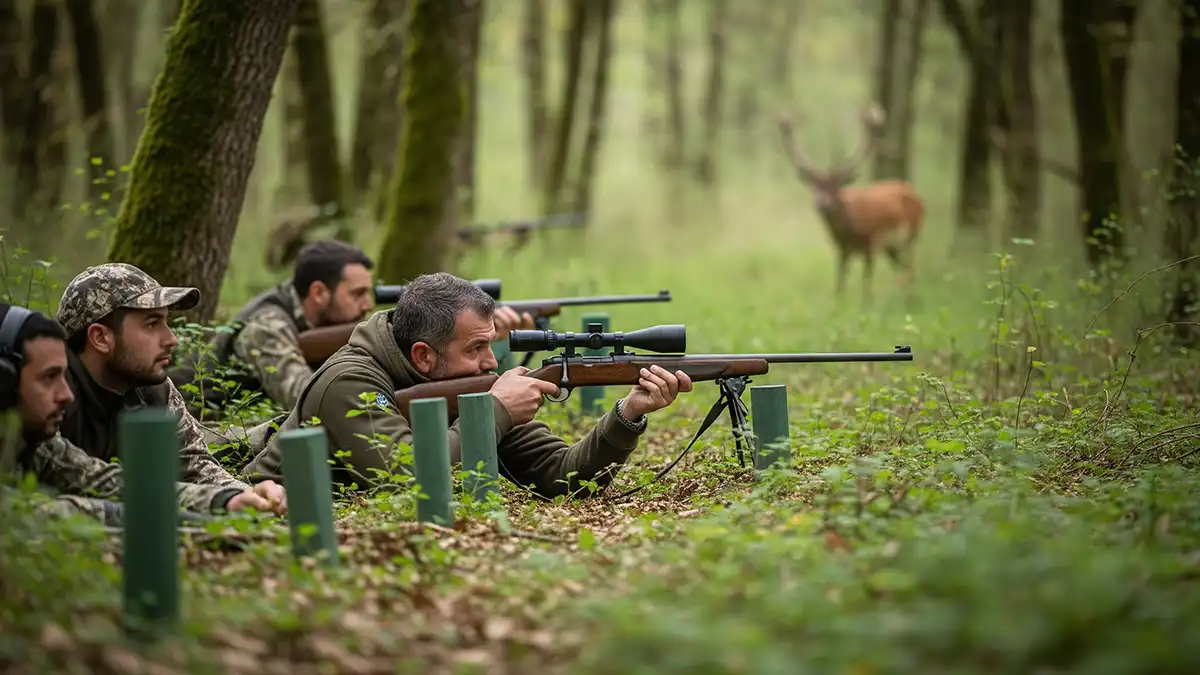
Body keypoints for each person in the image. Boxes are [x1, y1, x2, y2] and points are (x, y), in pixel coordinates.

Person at [240, 272, 693, 499]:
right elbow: (405, 479)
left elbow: (562, 475)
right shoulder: (349, 380)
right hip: (267, 522)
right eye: (476, 347)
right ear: (423, 356)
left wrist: (627, 415)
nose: (491, 361)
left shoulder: (462, 384)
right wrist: (494, 411)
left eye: (490, 344)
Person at [0, 304, 286, 525]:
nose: (65, 394)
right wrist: (127, 515)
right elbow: (25, 516)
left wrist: (228, 498)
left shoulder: (37, 440)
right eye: (49, 377)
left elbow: (105, 481)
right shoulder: (50, 414)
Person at [53, 262, 287, 513]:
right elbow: (74, 481)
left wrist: (247, 495)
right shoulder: (48, 391)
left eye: (166, 322)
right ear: (100, 338)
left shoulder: (153, 387)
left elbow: (193, 464)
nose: (171, 339)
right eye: (152, 324)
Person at [169, 239, 376, 419]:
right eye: (358, 294)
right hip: (189, 428)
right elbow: (309, 399)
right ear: (318, 293)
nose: (368, 305)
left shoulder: (298, 307)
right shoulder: (267, 325)